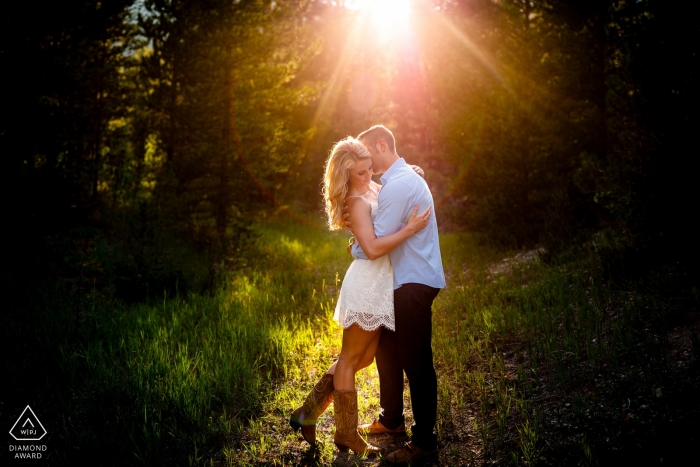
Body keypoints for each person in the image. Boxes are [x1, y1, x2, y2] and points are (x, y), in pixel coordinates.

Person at [289, 136, 431, 456]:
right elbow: (372, 247)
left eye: (370, 170)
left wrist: (409, 175)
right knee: (351, 359)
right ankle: (346, 435)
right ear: (346, 176)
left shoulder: (371, 188)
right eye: (361, 174)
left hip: (380, 283)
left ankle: (306, 413)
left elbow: (390, 198)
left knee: (360, 359)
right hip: (368, 284)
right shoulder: (356, 200)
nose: (369, 177)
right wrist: (410, 228)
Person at [348, 125, 446, 464]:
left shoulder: (400, 184)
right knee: (387, 347)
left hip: (413, 282)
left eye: (365, 152)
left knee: (416, 361)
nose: (364, 159)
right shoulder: (397, 180)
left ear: (380, 144)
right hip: (402, 280)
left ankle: (424, 442)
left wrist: (355, 248)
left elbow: (373, 243)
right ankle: (391, 419)